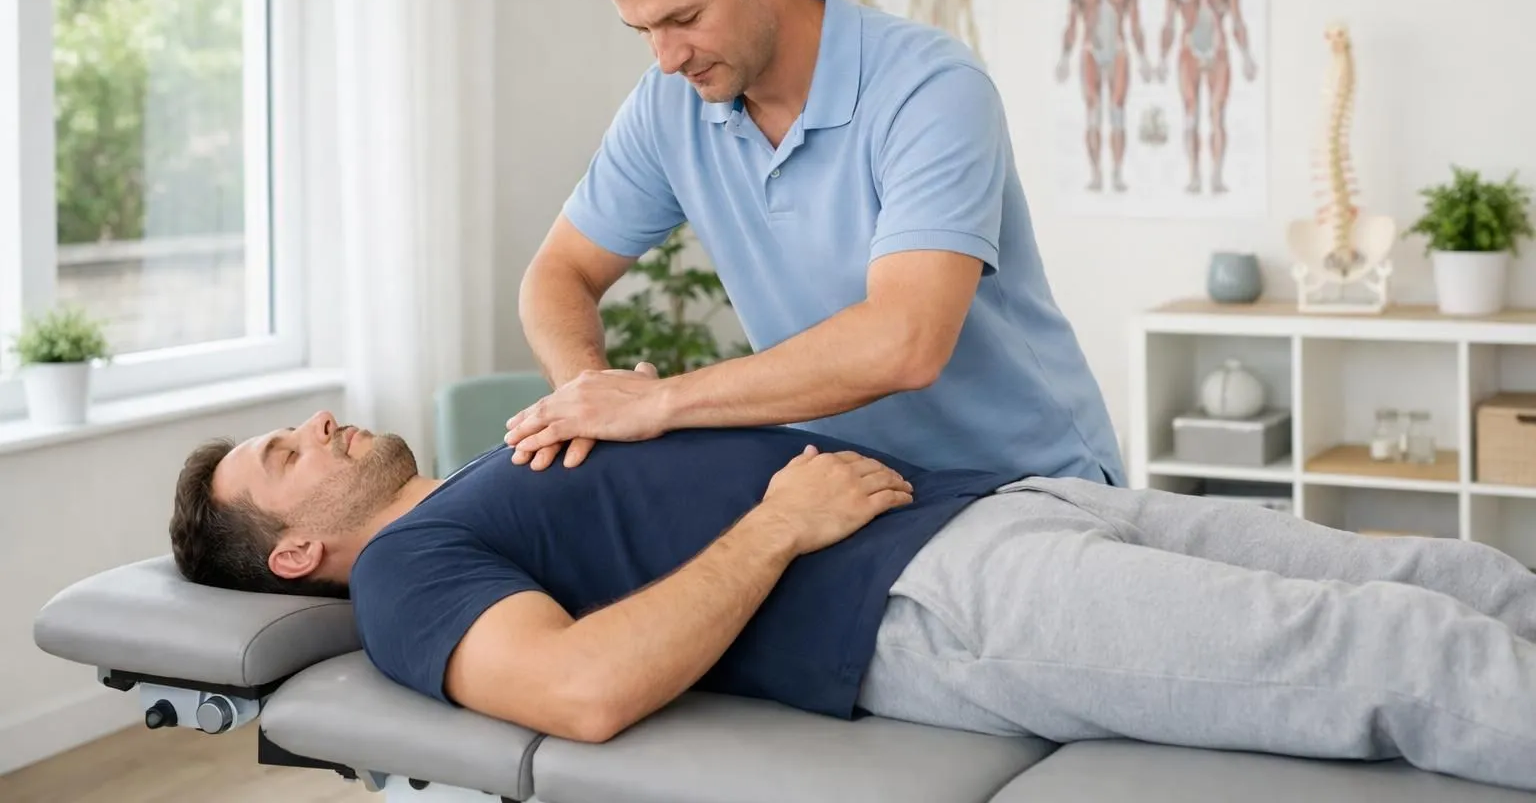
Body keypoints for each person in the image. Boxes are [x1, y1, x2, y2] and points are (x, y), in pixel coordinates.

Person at [170, 410, 1536, 793]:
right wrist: (777, 525)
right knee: (1401, 651)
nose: (321, 423)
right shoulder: (411, 570)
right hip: (935, 597)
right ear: (293, 558)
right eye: (285, 457)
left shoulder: (481, 465)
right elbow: (577, 691)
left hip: (1007, 500)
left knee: (1450, 572)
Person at [509, 0, 1120, 488]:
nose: (666, 58)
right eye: (643, 31)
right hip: (860, 495)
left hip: (1029, 483)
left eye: (684, 18)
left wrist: (659, 403)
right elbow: (558, 273)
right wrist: (588, 393)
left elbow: (905, 342)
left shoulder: (930, 88)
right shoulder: (668, 105)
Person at [1153, 0, 1258, 196]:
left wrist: (1246, 55)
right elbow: (1168, 25)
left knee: (1217, 115)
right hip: (1189, 51)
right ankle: (1194, 175)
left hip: (1218, 51)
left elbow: (1237, 22)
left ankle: (1217, 175)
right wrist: (1161, 59)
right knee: (1190, 116)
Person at [1054, 0, 1153, 193]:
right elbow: (1072, 24)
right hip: (1090, 51)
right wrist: (1064, 57)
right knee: (1094, 115)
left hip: (1118, 49)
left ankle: (1118, 173)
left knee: (1118, 113)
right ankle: (1096, 174)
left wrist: (1143, 58)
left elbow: (1136, 25)